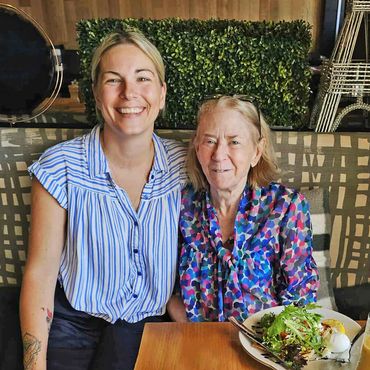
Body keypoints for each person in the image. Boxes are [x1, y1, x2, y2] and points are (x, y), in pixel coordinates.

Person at [19, 29, 187, 370]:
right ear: (96, 94)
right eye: (114, 80)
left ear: (162, 93)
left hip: (151, 325)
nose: (130, 93)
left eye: (143, 78)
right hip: (72, 323)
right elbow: (41, 273)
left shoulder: (187, 166)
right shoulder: (60, 167)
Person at [171, 95, 319, 323]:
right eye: (209, 141)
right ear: (197, 147)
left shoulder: (286, 207)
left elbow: (300, 300)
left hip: (264, 347)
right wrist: (189, 329)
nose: (219, 155)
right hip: (196, 342)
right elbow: (161, 285)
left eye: (234, 142)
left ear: (256, 152)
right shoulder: (181, 205)